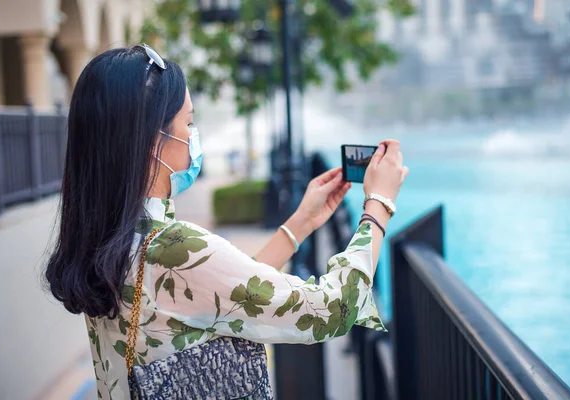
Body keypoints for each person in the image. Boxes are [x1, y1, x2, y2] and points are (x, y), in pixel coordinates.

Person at [44, 45, 409, 399]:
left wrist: (299, 224)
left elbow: (222, 292)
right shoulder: (174, 250)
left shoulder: (109, 241)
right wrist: (379, 203)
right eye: (188, 122)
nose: (193, 134)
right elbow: (331, 310)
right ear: (155, 139)